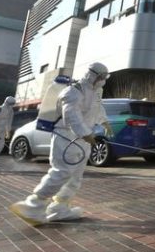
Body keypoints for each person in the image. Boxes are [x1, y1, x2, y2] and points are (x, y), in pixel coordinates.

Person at [9, 62, 113, 225]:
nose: (102, 80)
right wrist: (85, 133)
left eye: (104, 77)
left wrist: (104, 122)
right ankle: (33, 205)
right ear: (92, 75)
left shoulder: (95, 92)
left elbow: (97, 109)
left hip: (82, 139)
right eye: (100, 76)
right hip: (65, 137)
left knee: (75, 176)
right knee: (62, 172)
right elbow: (71, 115)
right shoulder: (72, 92)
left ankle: (60, 207)